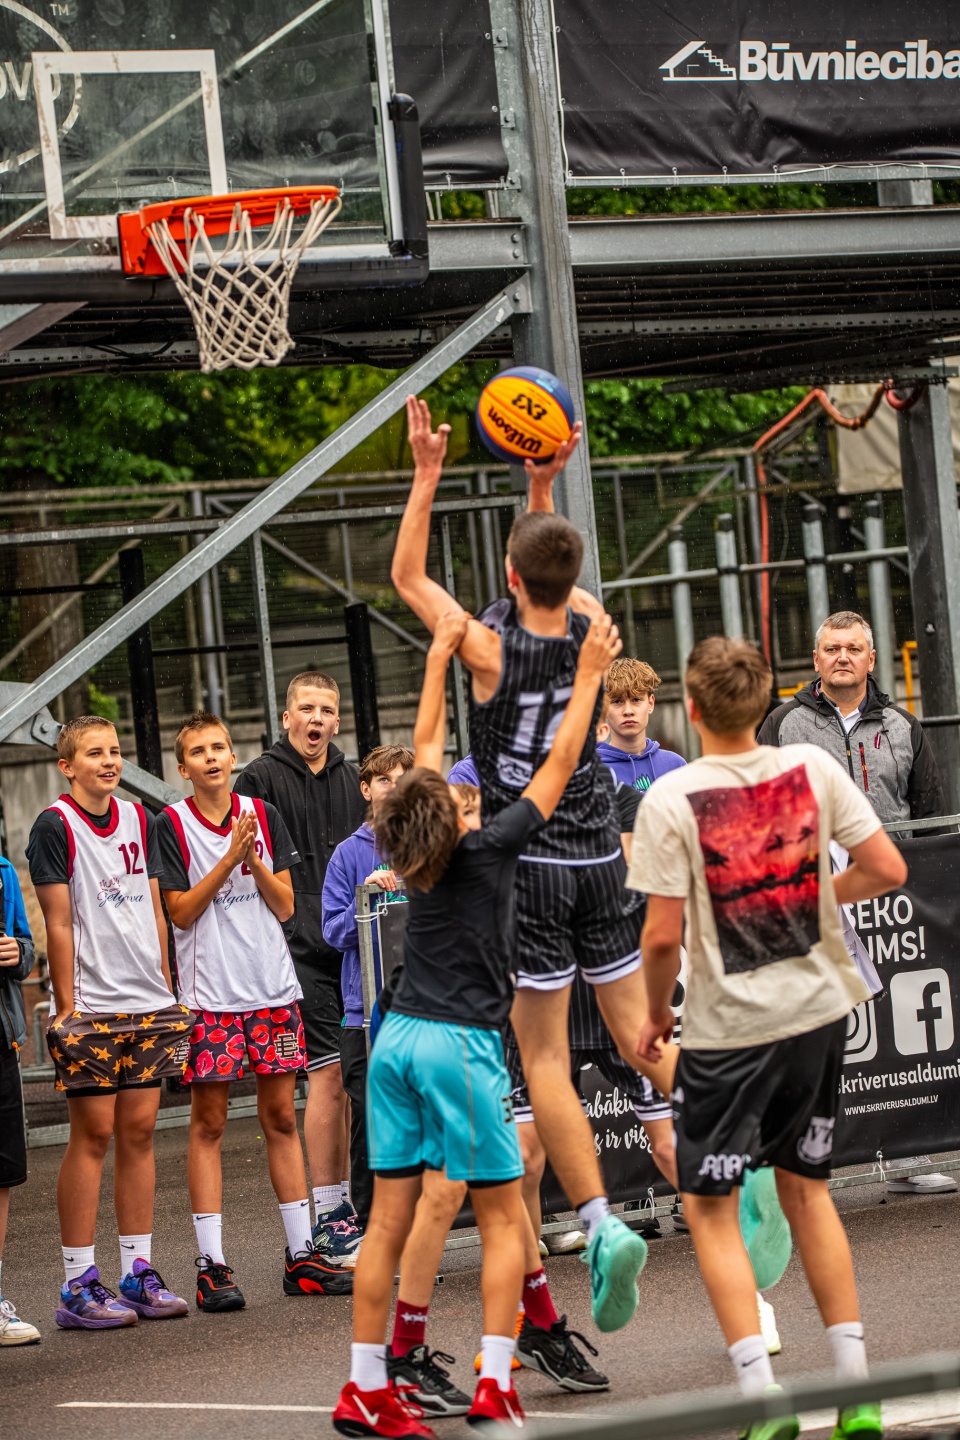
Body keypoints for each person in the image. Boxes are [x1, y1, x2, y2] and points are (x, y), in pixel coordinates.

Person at [391, 396, 679, 1335]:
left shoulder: (481, 646)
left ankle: (598, 1222)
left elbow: (406, 575)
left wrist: (428, 473)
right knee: (639, 1033)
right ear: (569, 573)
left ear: (507, 576)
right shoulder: (593, 625)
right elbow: (552, 565)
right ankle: (735, 1149)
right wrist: (543, 483)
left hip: (530, 853)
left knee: (546, 1057)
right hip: (600, 844)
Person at [333, 606, 622, 1438]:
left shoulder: (405, 847)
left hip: (394, 1039)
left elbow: (425, 749)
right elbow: (561, 762)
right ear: (457, 815)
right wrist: (589, 677)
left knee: (387, 1223)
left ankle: (364, 1387)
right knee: (502, 1218)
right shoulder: (493, 850)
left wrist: (438, 658)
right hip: (459, 1043)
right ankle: (496, 1385)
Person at [631, 636, 907, 1440]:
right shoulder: (812, 767)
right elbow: (886, 868)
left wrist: (654, 1015)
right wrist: (813, 898)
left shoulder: (672, 796)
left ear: (690, 706)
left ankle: (762, 1401)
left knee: (710, 1207)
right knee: (809, 1192)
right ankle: (857, 1391)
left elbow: (660, 937)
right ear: (766, 702)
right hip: (817, 1010)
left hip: (730, 1028)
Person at [758, 609, 955, 1198]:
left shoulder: (903, 725)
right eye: (831, 648)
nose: (842, 657)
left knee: (898, 1034)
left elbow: (930, 815)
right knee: (819, 1038)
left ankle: (910, 1156)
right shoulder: (782, 724)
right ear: (815, 659)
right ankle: (803, 1167)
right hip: (817, 906)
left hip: (895, 901)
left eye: (853, 648)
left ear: (872, 658)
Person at [158, 711, 351, 1307]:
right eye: (199, 751)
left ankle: (302, 1255)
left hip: (271, 989)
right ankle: (212, 1265)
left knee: (282, 1119)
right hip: (211, 997)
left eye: (219, 747)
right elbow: (180, 913)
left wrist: (254, 861)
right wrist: (227, 860)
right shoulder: (172, 823)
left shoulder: (261, 814)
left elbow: (287, 905)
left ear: (232, 755)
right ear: (183, 767)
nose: (212, 758)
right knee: (210, 1124)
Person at [26, 715, 192, 1330]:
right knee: (92, 1134)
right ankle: (77, 1282)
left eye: (115, 751)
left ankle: (136, 1271)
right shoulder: (54, 825)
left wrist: (167, 986)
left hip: (146, 1000)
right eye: (94, 753)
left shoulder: (139, 818)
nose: (109, 761)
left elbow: (154, 906)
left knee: (141, 1132)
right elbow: (59, 921)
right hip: (93, 1006)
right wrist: (66, 1004)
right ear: (67, 765)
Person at [234, 671, 366, 1251]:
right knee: (328, 1076)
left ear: (337, 721)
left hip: (356, 947)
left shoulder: (355, 779)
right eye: (306, 709)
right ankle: (331, 1210)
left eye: (327, 710)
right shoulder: (258, 779)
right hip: (294, 951)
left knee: (357, 1078)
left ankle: (356, 1202)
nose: (317, 719)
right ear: (287, 717)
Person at [322, 744, 414, 1241]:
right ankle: (371, 1227)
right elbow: (332, 931)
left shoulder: (432, 844)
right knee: (370, 1122)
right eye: (384, 780)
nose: (394, 789)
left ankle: (433, 1222)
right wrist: (369, 898)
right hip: (365, 1015)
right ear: (366, 789)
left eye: (404, 780)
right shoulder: (347, 854)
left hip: (426, 1009)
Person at [0, 852, 40, 1344]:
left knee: (3, 1176)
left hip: (1, 1039)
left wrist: (17, 952)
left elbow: (28, 950)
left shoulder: (3, 871)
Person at [596, 657, 686, 792]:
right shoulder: (595, 771)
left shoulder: (675, 765)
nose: (628, 711)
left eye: (636, 700)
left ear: (650, 704)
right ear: (605, 707)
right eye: (617, 701)